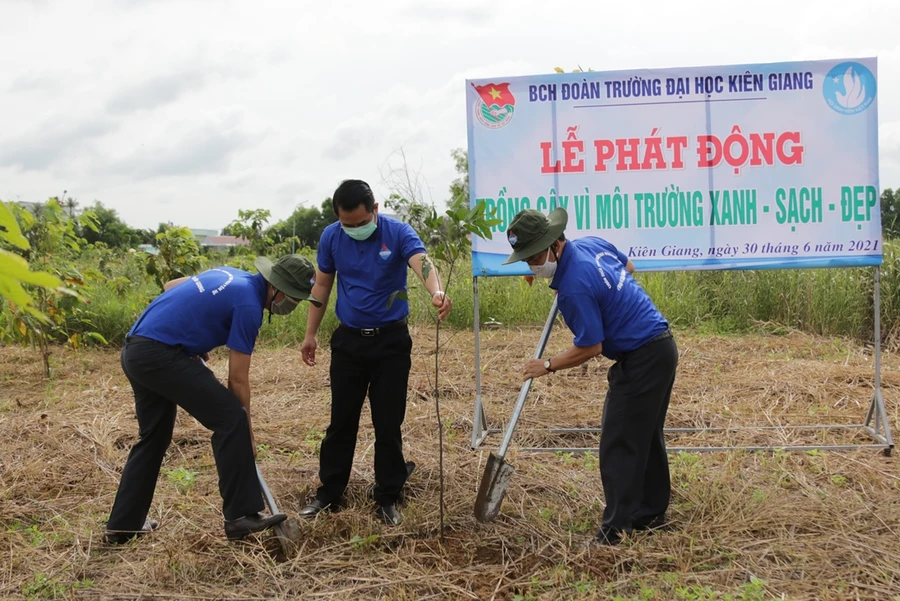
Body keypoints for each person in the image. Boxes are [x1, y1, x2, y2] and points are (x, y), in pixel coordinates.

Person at [103, 255, 321, 544]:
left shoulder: (230, 274)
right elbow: (238, 379)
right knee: (231, 418)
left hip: (137, 350)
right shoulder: (249, 306)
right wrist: (247, 435)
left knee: (153, 437)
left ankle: (123, 525)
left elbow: (172, 287)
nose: (291, 305)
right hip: (159, 356)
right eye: (292, 298)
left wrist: (189, 336)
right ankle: (242, 515)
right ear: (276, 288)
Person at [502, 208, 678, 546]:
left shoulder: (574, 286)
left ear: (555, 244)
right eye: (525, 260)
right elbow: (628, 267)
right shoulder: (589, 245)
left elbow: (591, 346)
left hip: (642, 356)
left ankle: (615, 530)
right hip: (661, 347)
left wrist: (547, 364)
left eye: (534, 257)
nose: (532, 266)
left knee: (619, 441)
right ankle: (651, 513)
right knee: (645, 434)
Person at [299, 179, 451, 526]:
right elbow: (322, 283)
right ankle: (330, 493)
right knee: (341, 421)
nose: (354, 229)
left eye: (361, 223)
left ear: (375, 211)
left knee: (387, 421)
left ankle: (387, 495)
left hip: (391, 343)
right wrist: (310, 333)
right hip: (349, 343)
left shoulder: (397, 233)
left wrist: (437, 292)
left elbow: (422, 262)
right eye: (347, 224)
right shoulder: (331, 237)